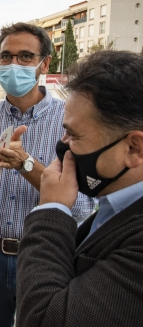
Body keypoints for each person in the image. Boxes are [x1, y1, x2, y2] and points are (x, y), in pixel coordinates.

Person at [0, 22, 96, 327]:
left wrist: (24, 164)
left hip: (47, 256)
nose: (13, 64)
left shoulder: (68, 120)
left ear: (44, 64)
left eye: (25, 57)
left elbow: (82, 204)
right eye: (6, 57)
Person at [17, 51, 143, 326]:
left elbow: (44, 319)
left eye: (74, 135)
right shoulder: (116, 203)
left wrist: (52, 210)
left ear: (134, 148)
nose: (62, 146)